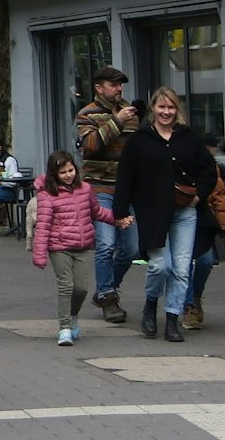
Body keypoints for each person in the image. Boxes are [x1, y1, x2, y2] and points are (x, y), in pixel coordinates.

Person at [111, 86, 218, 343]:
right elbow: (125, 177)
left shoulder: (188, 137)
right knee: (160, 266)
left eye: (171, 107)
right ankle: (150, 306)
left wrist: (197, 195)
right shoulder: (139, 140)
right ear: (153, 109)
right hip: (152, 212)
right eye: (161, 107)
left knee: (181, 268)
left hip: (185, 212)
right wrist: (120, 210)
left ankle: (172, 319)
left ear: (176, 110)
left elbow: (209, 170)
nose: (166, 112)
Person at [30, 149, 122, 347]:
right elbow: (43, 225)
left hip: (84, 245)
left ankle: (72, 317)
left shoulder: (85, 189)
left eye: (70, 170)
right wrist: (40, 254)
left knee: (81, 288)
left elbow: (96, 212)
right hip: (59, 246)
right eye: (63, 173)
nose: (68, 175)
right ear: (54, 175)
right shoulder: (47, 195)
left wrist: (119, 219)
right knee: (66, 286)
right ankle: (64, 328)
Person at [77, 65, 141, 324]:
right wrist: (117, 122)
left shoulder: (132, 114)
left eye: (121, 84)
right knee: (105, 245)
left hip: (127, 190)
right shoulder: (87, 114)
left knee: (132, 248)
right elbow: (90, 146)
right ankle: (108, 296)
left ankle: (107, 287)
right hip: (99, 188)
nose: (119, 88)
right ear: (99, 87)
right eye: (113, 84)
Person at [182, 150, 225, 330]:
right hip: (180, 217)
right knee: (184, 263)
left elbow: (218, 196)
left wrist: (224, 226)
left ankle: (195, 296)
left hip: (203, 220)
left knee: (206, 260)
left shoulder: (208, 166)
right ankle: (188, 307)